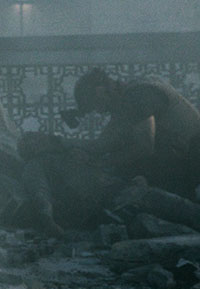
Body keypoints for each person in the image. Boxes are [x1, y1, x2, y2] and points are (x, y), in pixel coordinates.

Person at [73, 68, 200, 200]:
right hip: (184, 158)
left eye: (96, 106)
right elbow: (103, 143)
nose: (100, 111)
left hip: (191, 160)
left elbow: (144, 147)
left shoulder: (136, 96)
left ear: (100, 92)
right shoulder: (127, 100)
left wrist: (104, 162)